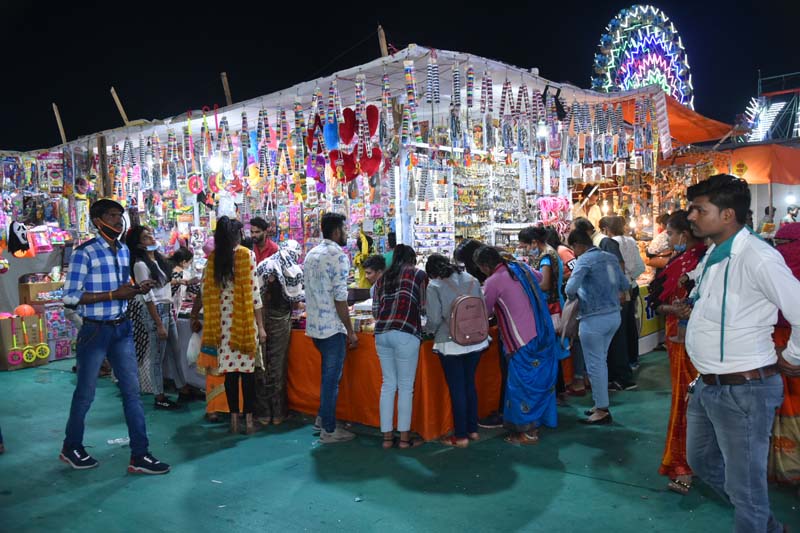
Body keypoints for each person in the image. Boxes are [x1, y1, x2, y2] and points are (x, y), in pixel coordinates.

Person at [682, 174, 800, 532]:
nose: (690, 216)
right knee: (702, 462)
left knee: (745, 487)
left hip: (744, 389)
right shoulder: (714, 254)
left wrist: (793, 356)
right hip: (709, 385)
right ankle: (768, 526)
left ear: (727, 214)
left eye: (699, 210)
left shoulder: (758, 256)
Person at [61, 198, 170, 474]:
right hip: (95, 330)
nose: (118, 221)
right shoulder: (84, 253)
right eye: (112, 216)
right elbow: (70, 297)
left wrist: (136, 289)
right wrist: (113, 295)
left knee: (132, 393)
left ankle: (140, 455)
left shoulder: (123, 251)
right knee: (85, 393)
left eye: (120, 216)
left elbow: (123, 288)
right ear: (97, 221)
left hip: (122, 328)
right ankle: (71, 447)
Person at [474, 246, 561, 444]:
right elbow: (541, 280)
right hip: (541, 331)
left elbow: (485, 311)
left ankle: (528, 433)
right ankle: (538, 423)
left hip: (521, 340)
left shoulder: (493, 281)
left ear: (484, 266)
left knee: (522, 386)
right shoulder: (521, 268)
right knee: (540, 381)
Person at [647, 210, 706, 495]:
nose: (667, 239)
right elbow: (656, 300)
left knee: (689, 401)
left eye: (670, 233)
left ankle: (685, 466)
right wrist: (673, 308)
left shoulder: (707, 260)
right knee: (688, 400)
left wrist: (687, 310)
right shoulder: (679, 261)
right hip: (680, 340)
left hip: (698, 342)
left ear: (685, 233)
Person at [197, 217, 267, 435]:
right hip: (244, 323)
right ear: (237, 235)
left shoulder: (213, 260)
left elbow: (204, 291)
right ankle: (249, 421)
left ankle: (234, 421)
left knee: (229, 375)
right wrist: (261, 326)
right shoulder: (247, 255)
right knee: (247, 374)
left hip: (222, 326)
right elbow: (254, 294)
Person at [304, 212, 359, 444]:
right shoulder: (338, 256)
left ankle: (321, 418)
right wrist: (351, 330)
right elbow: (340, 299)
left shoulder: (311, 255)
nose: (346, 234)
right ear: (336, 231)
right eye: (345, 229)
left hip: (315, 327)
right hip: (332, 329)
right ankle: (328, 429)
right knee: (331, 379)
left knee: (327, 376)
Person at [565, 230, 629, 425]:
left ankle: (602, 409)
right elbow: (624, 283)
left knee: (595, 364)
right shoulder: (610, 257)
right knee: (600, 361)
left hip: (593, 318)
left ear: (577, 245)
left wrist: (574, 297)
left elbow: (570, 289)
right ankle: (599, 403)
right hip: (614, 315)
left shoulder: (584, 260)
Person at [425, 254, 489, 448]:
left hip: (450, 341)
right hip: (476, 340)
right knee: (469, 384)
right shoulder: (472, 279)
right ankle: (473, 430)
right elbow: (483, 308)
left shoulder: (434, 285)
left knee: (457, 388)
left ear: (431, 272)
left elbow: (434, 319)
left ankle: (461, 436)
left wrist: (427, 331)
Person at [127, 226, 190, 409]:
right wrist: (158, 323)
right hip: (156, 311)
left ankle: (182, 388)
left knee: (175, 351)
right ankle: (159, 396)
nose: (152, 238)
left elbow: (164, 284)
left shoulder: (158, 260)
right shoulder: (140, 265)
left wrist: (183, 281)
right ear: (139, 244)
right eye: (146, 237)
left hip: (167, 309)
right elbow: (148, 297)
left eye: (151, 235)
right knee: (157, 356)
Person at [372, 244, 427, 449]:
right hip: (406, 331)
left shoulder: (382, 278)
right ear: (412, 259)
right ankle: (404, 439)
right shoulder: (419, 275)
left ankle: (387, 438)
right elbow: (424, 307)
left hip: (381, 333)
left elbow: (376, 311)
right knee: (405, 387)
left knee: (388, 385)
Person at [573, 217, 635, 390]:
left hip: (612, 300)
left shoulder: (604, 242)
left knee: (617, 340)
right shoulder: (596, 245)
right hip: (606, 301)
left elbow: (618, 266)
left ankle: (623, 378)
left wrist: (619, 290)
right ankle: (612, 378)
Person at [254, 239, 304, 426]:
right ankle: (278, 413)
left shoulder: (263, 266)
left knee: (261, 364)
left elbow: (255, 297)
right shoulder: (292, 270)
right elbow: (296, 303)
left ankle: (263, 413)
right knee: (277, 365)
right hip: (280, 321)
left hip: (259, 319)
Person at [770, 222, 800, 497]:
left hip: (785, 349)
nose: (779, 250)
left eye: (783, 245)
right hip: (779, 348)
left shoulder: (780, 276)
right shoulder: (775, 274)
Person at [603, 216, 646, 369]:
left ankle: (622, 364)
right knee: (631, 324)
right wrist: (630, 278)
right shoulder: (631, 241)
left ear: (607, 229)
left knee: (620, 328)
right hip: (632, 286)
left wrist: (622, 281)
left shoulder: (609, 243)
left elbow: (612, 270)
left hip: (619, 289)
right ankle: (634, 359)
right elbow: (641, 267)